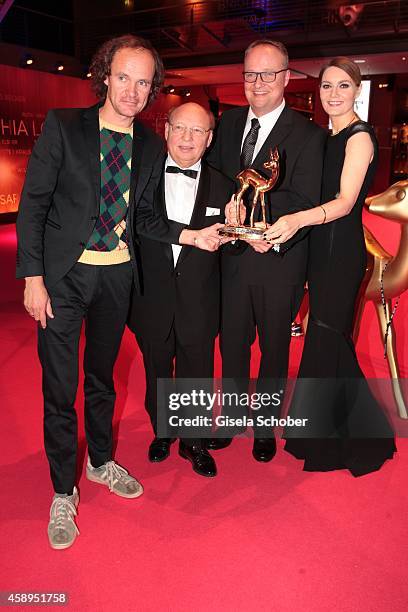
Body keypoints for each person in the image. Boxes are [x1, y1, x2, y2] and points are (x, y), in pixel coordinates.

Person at [16, 34, 222, 550]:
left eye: (144, 81)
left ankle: (101, 460)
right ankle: (64, 491)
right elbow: (34, 204)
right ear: (105, 75)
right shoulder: (65, 126)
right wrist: (33, 278)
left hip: (117, 278)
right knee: (60, 389)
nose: (132, 90)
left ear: (153, 88)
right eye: (124, 77)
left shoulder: (151, 145)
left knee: (102, 380)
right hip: (63, 279)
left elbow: (146, 216)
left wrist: (191, 235)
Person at [263, 57, 396, 476]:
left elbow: (343, 203)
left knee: (327, 337)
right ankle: (318, 433)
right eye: (326, 86)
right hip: (321, 247)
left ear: (357, 90)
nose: (333, 94)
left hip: (340, 251)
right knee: (323, 338)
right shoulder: (328, 136)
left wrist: (297, 220)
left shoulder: (358, 138)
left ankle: (353, 438)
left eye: (342, 86)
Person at [206, 39, 326, 461]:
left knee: (274, 346)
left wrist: (266, 231)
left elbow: (305, 197)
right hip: (232, 258)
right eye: (250, 74)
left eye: (268, 74)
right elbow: (217, 180)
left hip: (278, 261)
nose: (257, 83)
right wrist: (225, 212)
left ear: (287, 77)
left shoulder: (309, 134)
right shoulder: (226, 123)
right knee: (233, 343)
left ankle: (264, 426)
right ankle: (235, 416)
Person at [129, 102, 235, 477]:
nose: (187, 138)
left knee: (197, 373)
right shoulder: (142, 177)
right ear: (167, 130)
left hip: (200, 301)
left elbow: (232, 247)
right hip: (150, 298)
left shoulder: (227, 187)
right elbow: (136, 225)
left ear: (208, 140)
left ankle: (193, 440)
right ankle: (163, 431)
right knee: (157, 369)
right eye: (179, 128)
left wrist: (241, 235)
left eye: (197, 131)